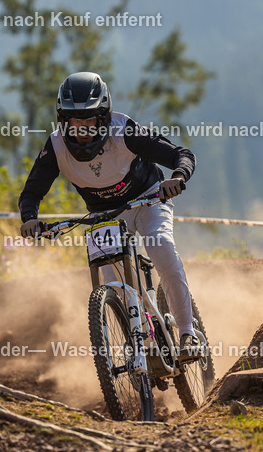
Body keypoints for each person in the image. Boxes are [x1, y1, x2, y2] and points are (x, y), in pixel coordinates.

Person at [18, 71, 202, 357]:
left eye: (88, 121)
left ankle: (188, 333)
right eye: (74, 122)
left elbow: (181, 153)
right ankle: (145, 337)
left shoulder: (123, 130)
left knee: (162, 247)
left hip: (149, 199)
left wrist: (178, 176)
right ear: (62, 122)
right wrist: (30, 218)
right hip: (104, 215)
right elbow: (31, 192)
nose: (82, 129)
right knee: (113, 279)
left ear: (103, 118)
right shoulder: (55, 147)